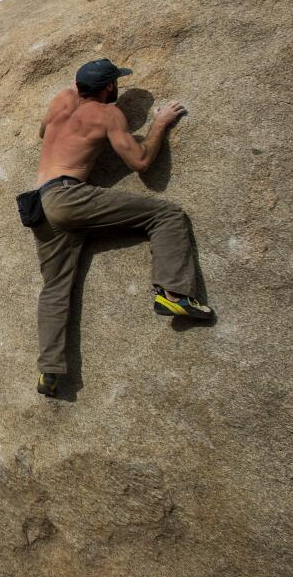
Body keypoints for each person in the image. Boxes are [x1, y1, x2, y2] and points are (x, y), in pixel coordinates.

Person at [32, 58, 213, 397]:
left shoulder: (59, 100)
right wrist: (160, 123)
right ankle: (174, 294)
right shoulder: (109, 115)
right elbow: (141, 162)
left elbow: (44, 131)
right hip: (70, 198)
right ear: (110, 88)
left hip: (39, 204)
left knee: (55, 288)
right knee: (167, 215)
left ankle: (49, 370)